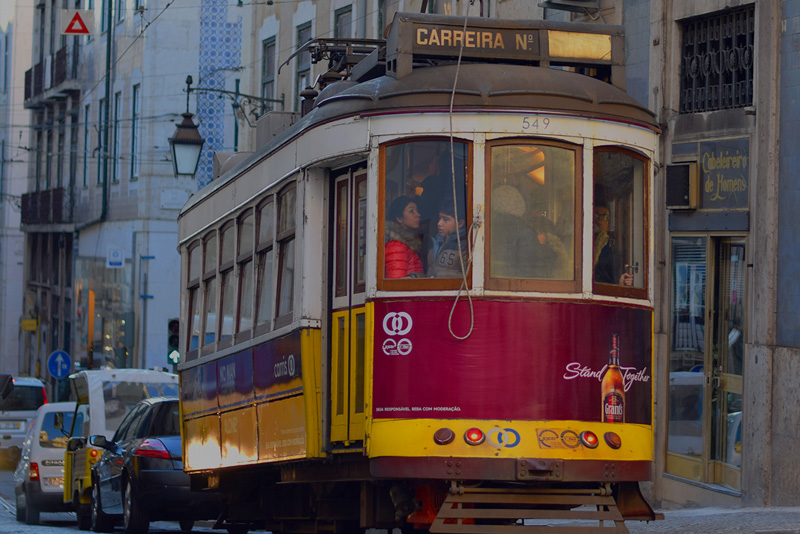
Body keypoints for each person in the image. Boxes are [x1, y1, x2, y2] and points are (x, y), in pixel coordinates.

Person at [427, 196, 468, 278]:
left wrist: (438, 276)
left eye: (445, 219)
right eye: (440, 218)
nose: (439, 223)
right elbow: (429, 275)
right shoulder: (437, 242)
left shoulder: (464, 246)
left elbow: (467, 279)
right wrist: (414, 277)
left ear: (460, 223)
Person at [385, 196, 424, 279]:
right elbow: (396, 283)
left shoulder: (407, 243)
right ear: (399, 218)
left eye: (417, 211)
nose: (418, 215)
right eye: (411, 211)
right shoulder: (396, 246)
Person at [593, 205, 633, 286]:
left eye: (604, 217)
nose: (600, 220)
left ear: (608, 223)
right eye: (596, 215)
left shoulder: (612, 249)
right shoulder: (582, 242)